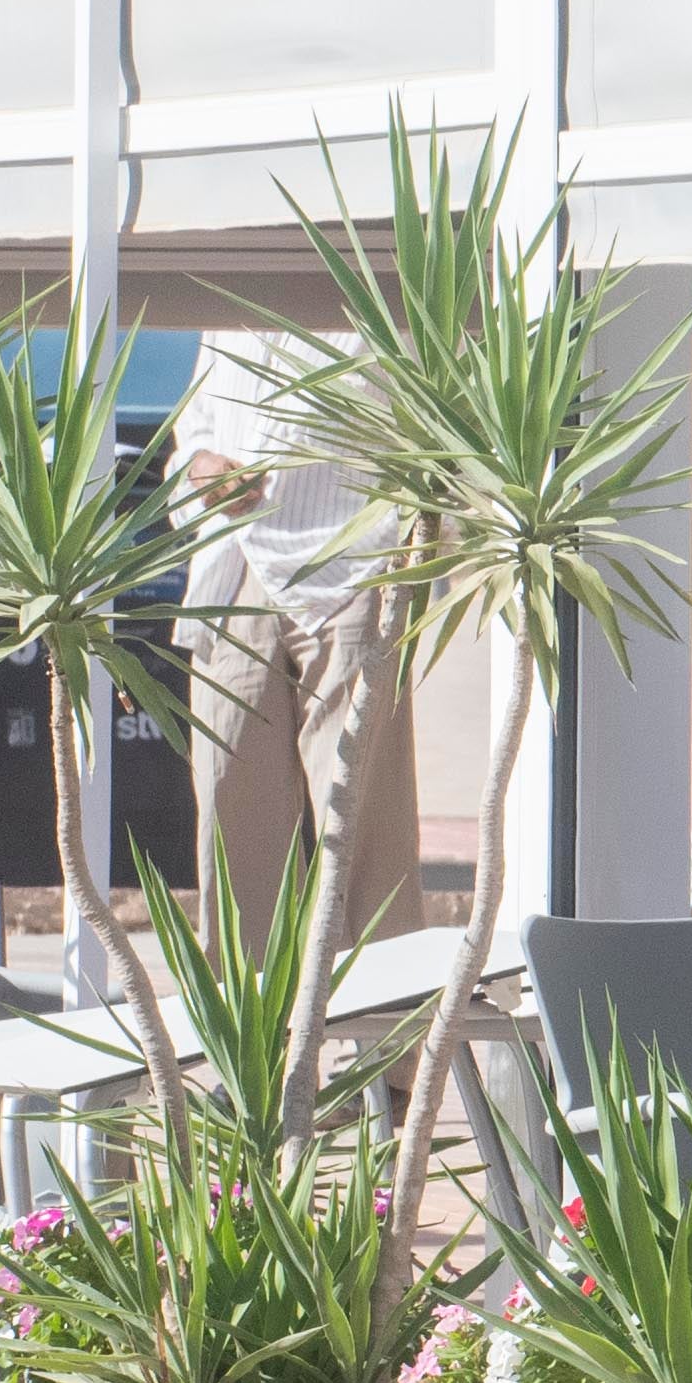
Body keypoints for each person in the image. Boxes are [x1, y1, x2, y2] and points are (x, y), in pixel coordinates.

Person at [170, 327, 421, 941]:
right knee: (231, 809)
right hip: (233, 569)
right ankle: (246, 1028)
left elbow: (430, 420)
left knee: (361, 823)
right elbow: (196, 430)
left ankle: (381, 1032)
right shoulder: (231, 284)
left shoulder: (380, 267)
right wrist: (200, 472)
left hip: (354, 563)